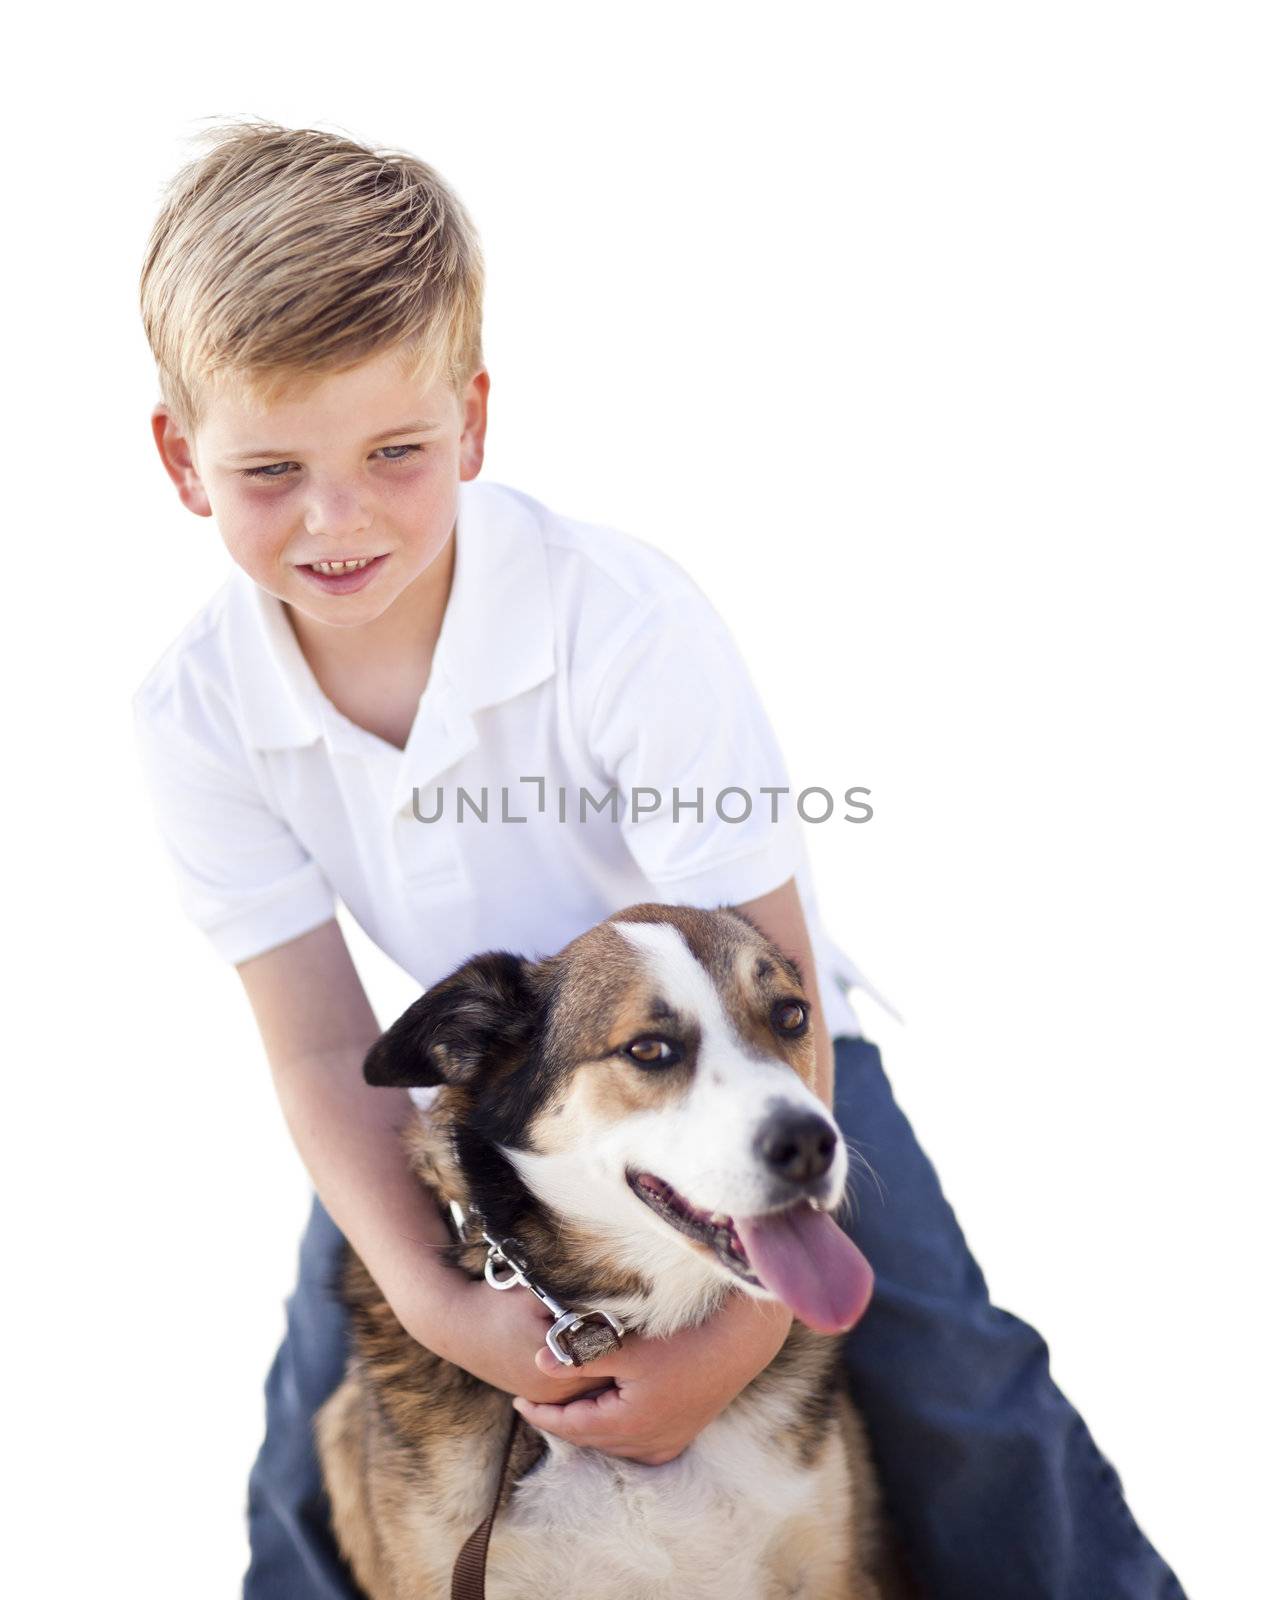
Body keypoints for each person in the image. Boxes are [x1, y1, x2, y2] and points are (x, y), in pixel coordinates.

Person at [132, 119, 1186, 1599]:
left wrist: (745, 1330)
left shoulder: (615, 621)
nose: (338, 517)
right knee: (311, 1446)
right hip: (480, 1085)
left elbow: (776, 960)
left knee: (959, 1396)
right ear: (182, 457)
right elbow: (316, 1049)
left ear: (475, 423)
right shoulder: (196, 711)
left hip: (759, 1048)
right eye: (269, 470)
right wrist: (443, 1312)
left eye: (395, 452)